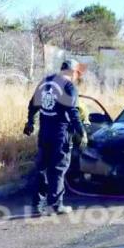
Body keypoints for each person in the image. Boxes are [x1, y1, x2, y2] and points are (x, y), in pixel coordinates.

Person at [23, 59, 87, 215]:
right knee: (58, 168)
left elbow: (33, 104)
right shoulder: (68, 86)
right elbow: (72, 112)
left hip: (44, 132)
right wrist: (81, 132)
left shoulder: (46, 82)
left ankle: (37, 204)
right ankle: (56, 205)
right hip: (60, 133)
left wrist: (30, 122)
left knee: (42, 168)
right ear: (73, 72)